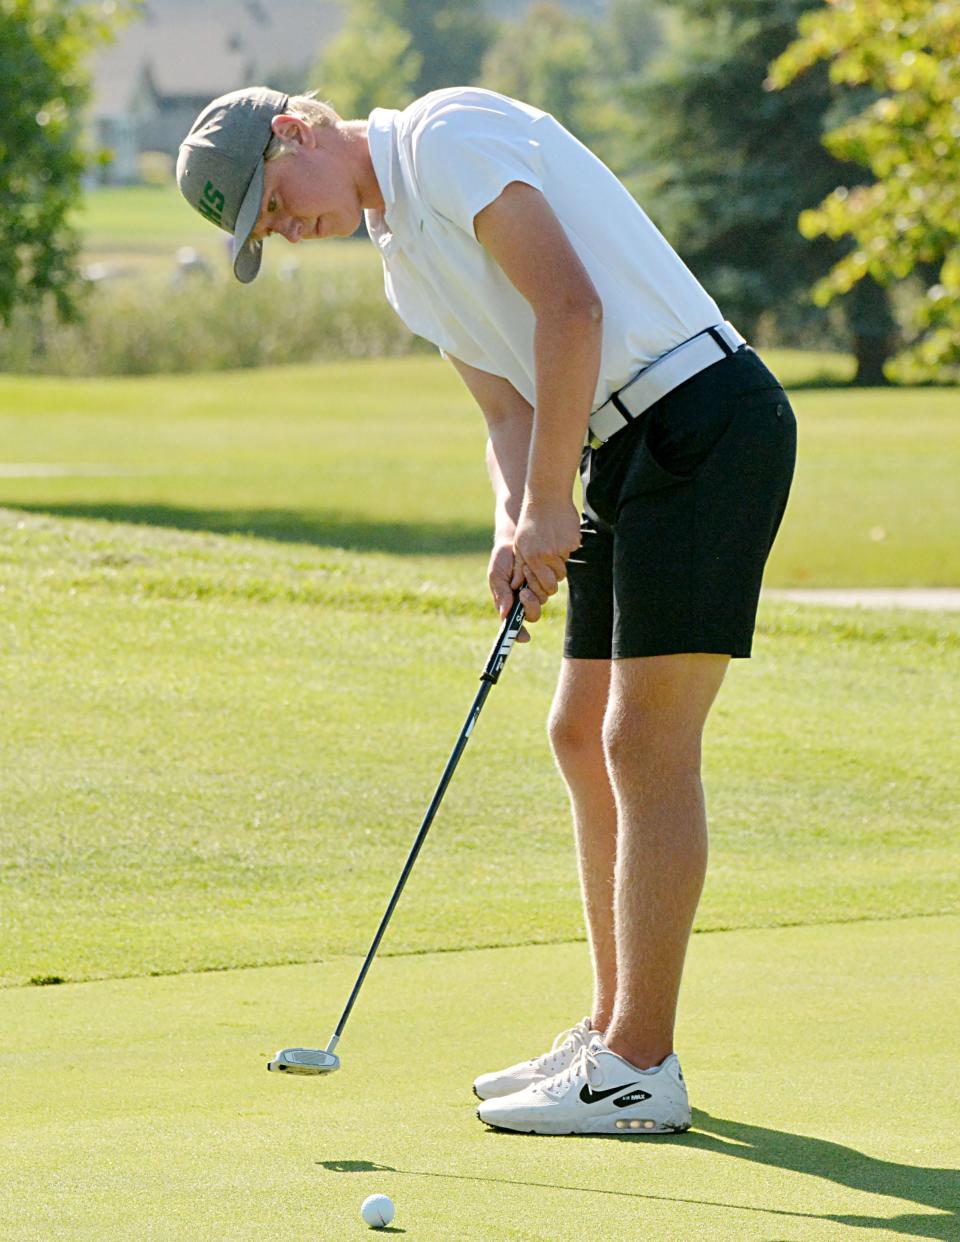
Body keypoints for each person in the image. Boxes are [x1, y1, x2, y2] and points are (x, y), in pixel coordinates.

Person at [178, 85, 797, 1137]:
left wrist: (556, 498)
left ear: (295, 132)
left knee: (642, 741)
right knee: (577, 734)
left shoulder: (446, 136)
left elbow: (574, 312)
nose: (284, 231)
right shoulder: (403, 265)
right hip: (615, 445)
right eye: (265, 233)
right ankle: (610, 1030)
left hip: (703, 419)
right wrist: (516, 522)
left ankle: (640, 1065)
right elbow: (508, 411)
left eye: (273, 205)